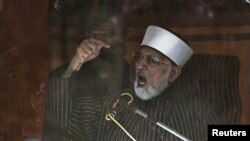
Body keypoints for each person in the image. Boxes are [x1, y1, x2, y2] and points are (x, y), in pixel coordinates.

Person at [60, 25, 224, 141]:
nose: (140, 65)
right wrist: (76, 63)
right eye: (139, 57)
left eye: (152, 61)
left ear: (173, 73)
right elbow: (62, 119)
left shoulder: (201, 111)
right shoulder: (115, 101)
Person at [42, 9, 130, 140]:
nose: (120, 40)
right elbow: (55, 114)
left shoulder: (134, 75)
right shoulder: (70, 72)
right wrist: (76, 62)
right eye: (111, 34)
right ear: (91, 36)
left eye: (123, 33)